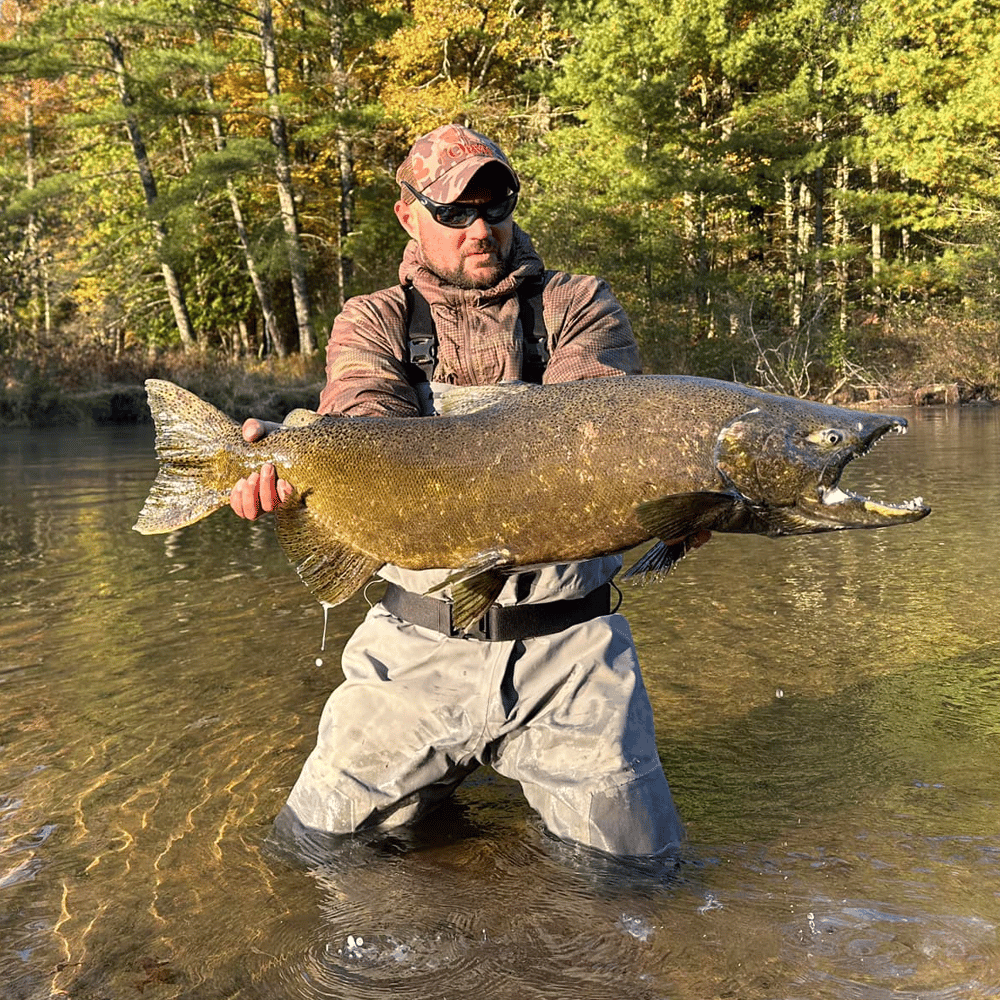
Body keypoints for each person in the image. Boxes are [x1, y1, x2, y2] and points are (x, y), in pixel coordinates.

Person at [230, 124, 702, 857]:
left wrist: (692, 494)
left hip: (571, 647)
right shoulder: (374, 319)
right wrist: (292, 466)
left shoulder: (579, 305)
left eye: (497, 204)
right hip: (412, 649)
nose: (481, 228)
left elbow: (601, 434)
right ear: (408, 215)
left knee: (636, 880)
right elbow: (364, 419)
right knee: (309, 859)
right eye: (455, 212)